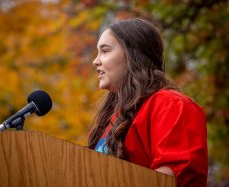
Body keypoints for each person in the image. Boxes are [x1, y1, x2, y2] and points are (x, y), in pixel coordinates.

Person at [88, 18, 208, 186]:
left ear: (133, 54)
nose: (96, 61)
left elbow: (171, 177)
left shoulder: (171, 105)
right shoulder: (113, 119)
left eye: (105, 51)